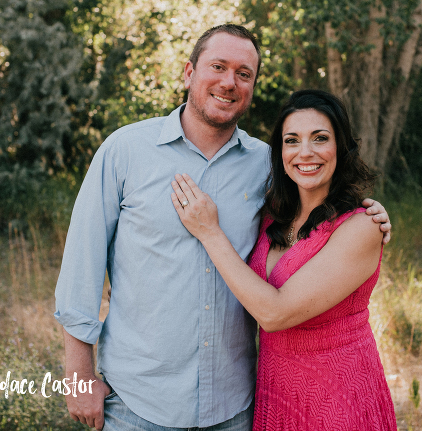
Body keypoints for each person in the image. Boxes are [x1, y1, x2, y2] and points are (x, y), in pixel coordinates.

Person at [54, 24, 392, 431]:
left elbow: (316, 209)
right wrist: (78, 376)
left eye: (244, 74)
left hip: (234, 406)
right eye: (218, 66)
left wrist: (367, 213)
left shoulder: (266, 165)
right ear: (189, 72)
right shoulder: (125, 152)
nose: (229, 82)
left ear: (252, 85)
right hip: (138, 404)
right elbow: (81, 268)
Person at [171, 89, 397, 430]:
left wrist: (209, 232)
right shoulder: (272, 217)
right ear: (280, 152)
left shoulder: (361, 226)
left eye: (320, 138)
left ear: (341, 147)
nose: (305, 153)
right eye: (292, 140)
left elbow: (274, 313)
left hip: (335, 399)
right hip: (275, 392)